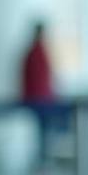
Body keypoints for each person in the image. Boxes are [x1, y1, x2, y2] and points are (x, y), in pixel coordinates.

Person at [21, 22, 57, 167]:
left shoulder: (33, 51)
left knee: (43, 134)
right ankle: (42, 163)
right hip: (40, 101)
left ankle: (43, 162)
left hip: (40, 100)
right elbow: (39, 80)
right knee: (43, 134)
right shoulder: (36, 52)